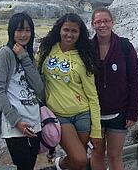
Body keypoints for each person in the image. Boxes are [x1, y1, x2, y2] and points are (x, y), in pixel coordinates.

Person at [37, 13, 102, 170]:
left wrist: (97, 131)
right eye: (66, 29)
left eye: (74, 31)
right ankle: (59, 164)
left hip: (83, 115)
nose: (69, 34)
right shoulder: (47, 49)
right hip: (59, 116)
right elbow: (33, 71)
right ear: (59, 30)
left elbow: (93, 96)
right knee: (80, 159)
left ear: (80, 34)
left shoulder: (84, 57)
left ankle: (58, 165)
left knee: (77, 163)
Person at [0, 12, 44, 170]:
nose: (23, 34)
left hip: (34, 119)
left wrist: (24, 57)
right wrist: (16, 121)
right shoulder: (4, 54)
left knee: (30, 165)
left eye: (27, 30)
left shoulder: (27, 55)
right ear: (11, 31)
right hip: (15, 123)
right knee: (23, 166)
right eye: (19, 30)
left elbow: (39, 88)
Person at [90, 7, 138, 170]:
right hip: (93, 113)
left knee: (115, 155)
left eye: (105, 21)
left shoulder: (125, 47)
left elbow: (135, 81)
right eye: (98, 22)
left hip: (119, 113)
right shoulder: (87, 49)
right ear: (93, 25)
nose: (102, 25)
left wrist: (132, 112)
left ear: (112, 23)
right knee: (96, 153)